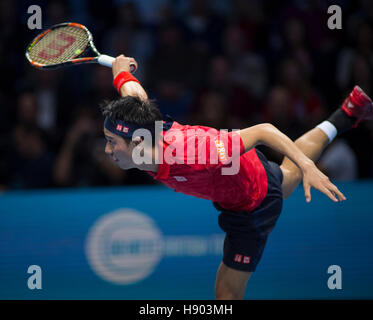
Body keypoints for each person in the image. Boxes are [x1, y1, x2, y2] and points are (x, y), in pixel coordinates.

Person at [100, 55, 372, 300]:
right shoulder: (143, 127)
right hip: (234, 180)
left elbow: (263, 131)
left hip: (252, 199)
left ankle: (343, 117)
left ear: (137, 141)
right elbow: (135, 95)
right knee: (288, 177)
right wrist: (121, 72)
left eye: (112, 142)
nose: (107, 150)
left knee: (226, 295)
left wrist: (308, 166)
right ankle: (346, 114)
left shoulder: (191, 152)